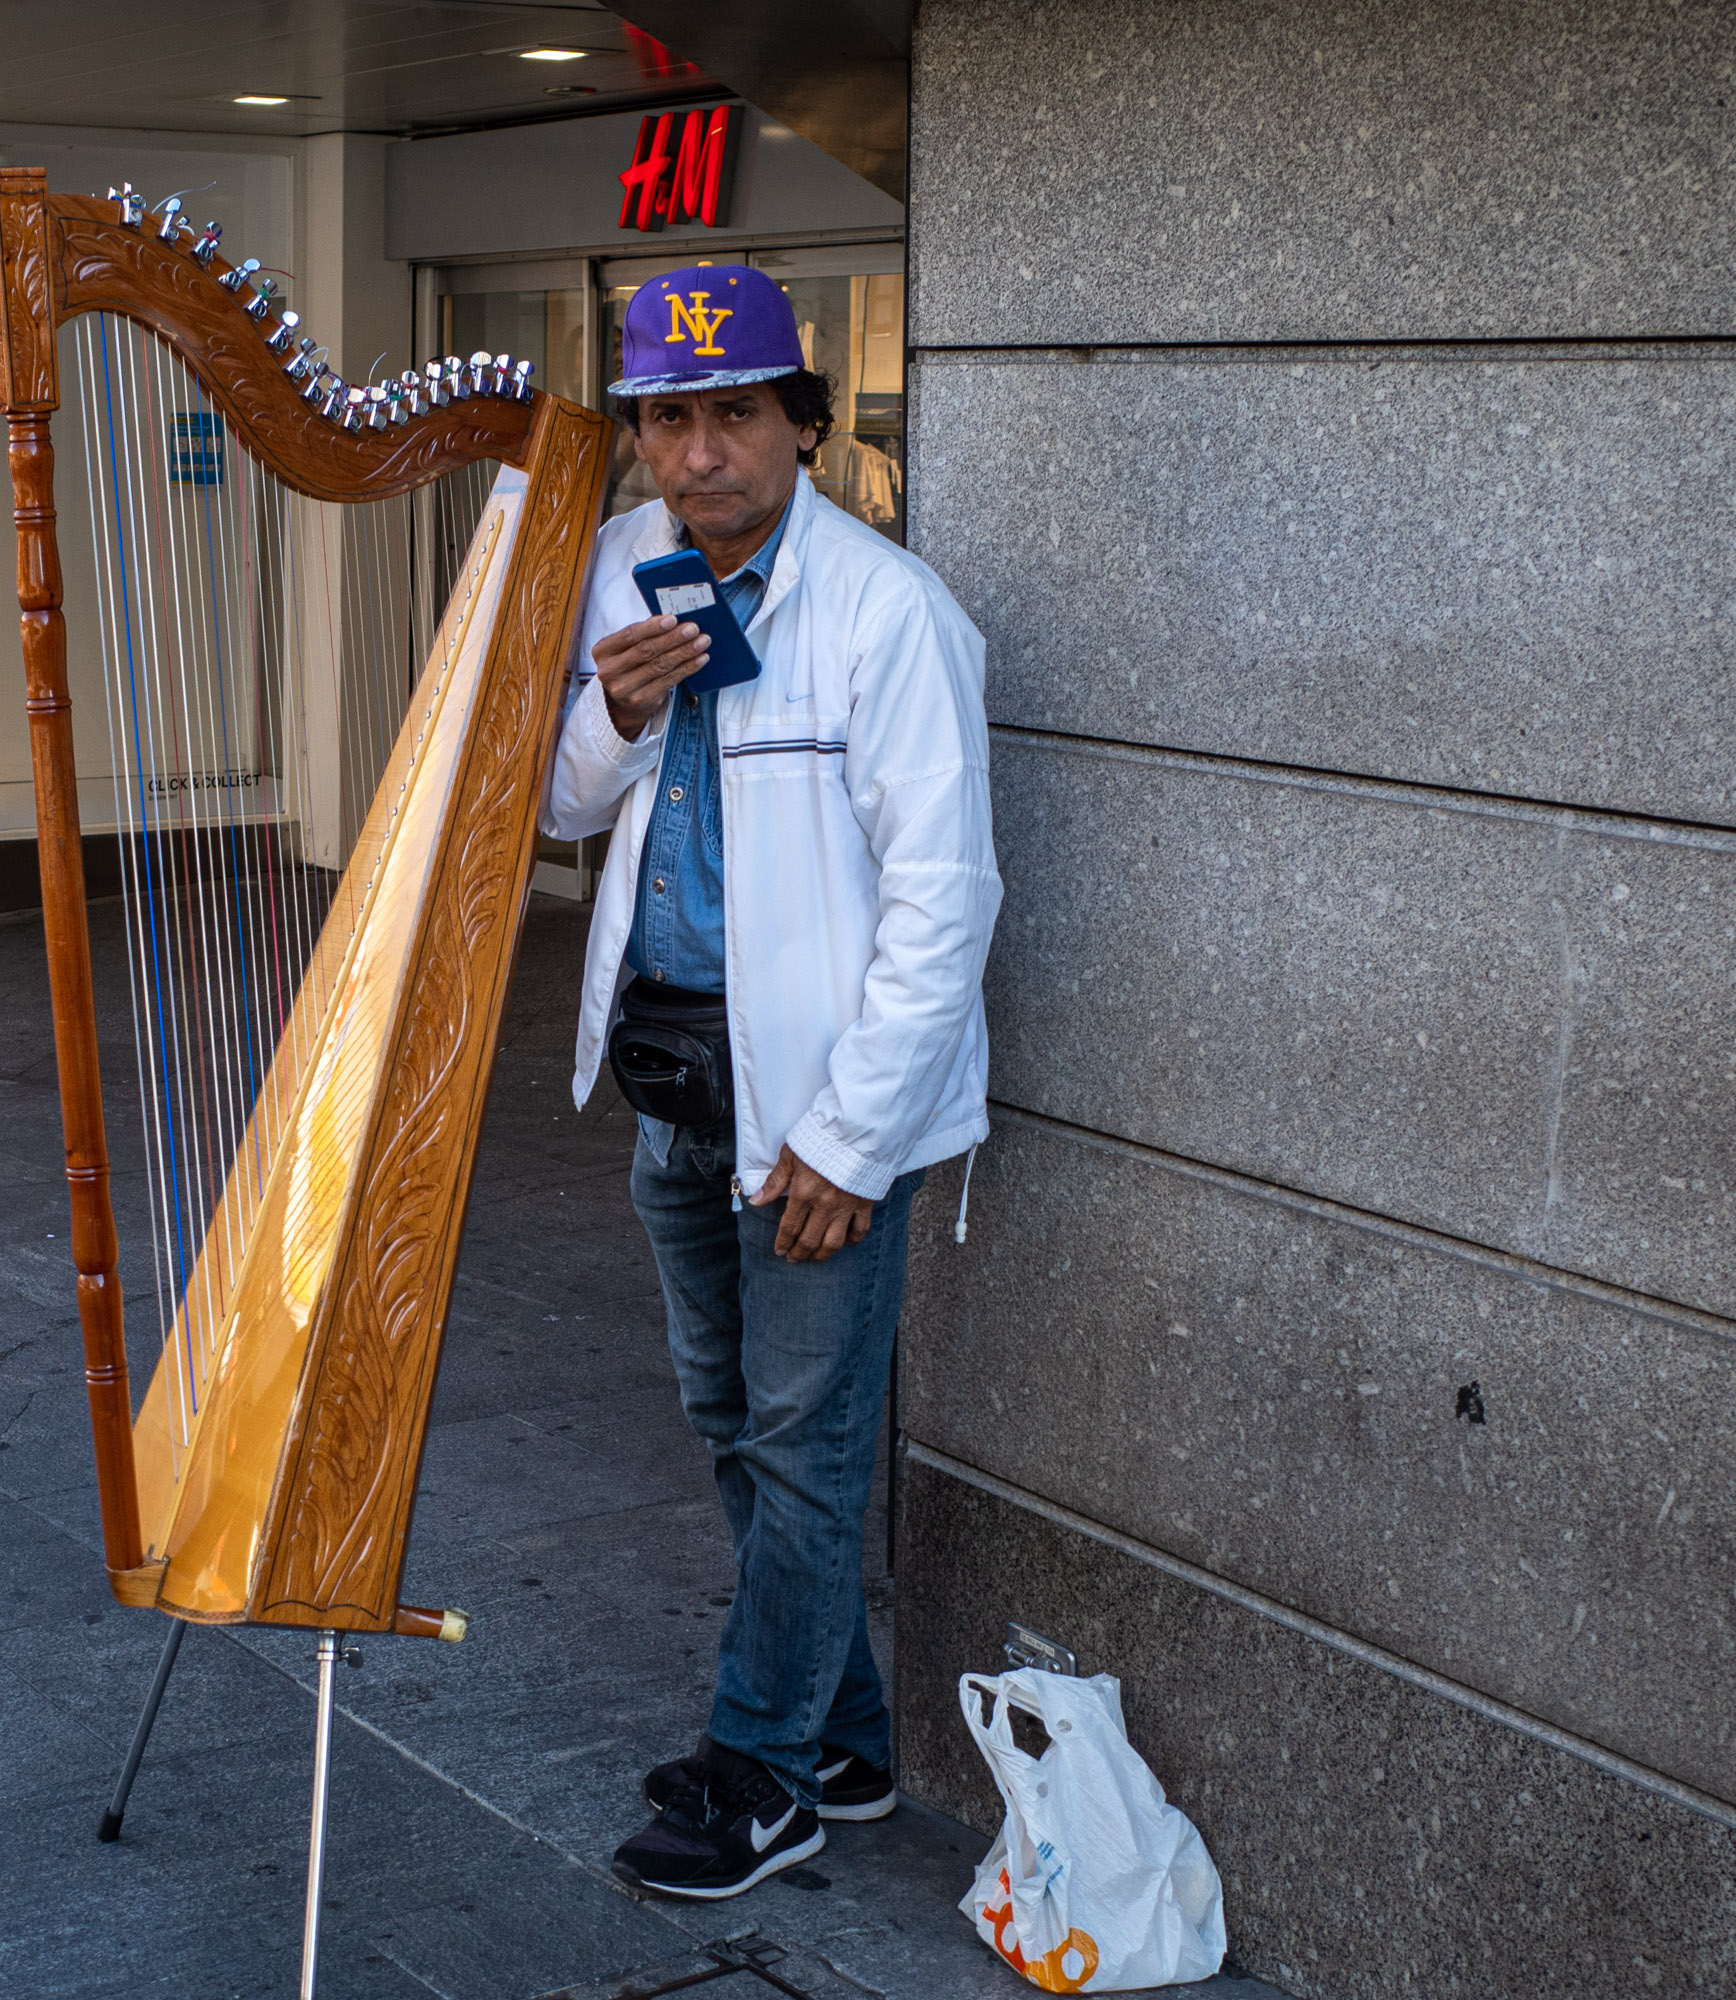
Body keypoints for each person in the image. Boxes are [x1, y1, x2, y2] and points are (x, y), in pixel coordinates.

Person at [543, 265, 999, 1900]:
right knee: (728, 1417)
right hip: (678, 1073)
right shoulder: (622, 569)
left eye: (738, 412)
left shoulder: (890, 616)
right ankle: (849, 1740)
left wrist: (854, 1140)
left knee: (805, 1447)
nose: (702, 451)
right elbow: (569, 809)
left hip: (818, 1111)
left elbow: (948, 902)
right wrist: (609, 709)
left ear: (805, 424)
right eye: (672, 416)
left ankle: (762, 1776)